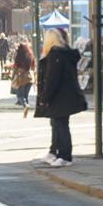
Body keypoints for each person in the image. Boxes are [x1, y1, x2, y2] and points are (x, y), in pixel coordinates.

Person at [35, 28, 87, 167]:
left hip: (60, 96)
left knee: (61, 125)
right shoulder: (64, 53)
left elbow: (52, 78)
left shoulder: (55, 55)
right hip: (65, 96)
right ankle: (54, 152)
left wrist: (44, 96)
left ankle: (65, 156)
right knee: (57, 123)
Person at [11, 41, 35, 110]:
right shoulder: (31, 55)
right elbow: (33, 67)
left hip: (21, 77)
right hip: (29, 77)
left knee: (20, 95)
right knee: (26, 96)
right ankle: (26, 112)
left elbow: (15, 67)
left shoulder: (19, 56)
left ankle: (25, 105)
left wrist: (13, 76)